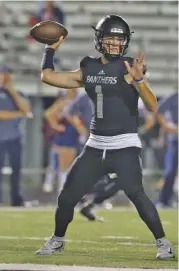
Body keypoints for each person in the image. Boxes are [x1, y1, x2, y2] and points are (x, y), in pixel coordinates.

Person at [36, 15, 175, 259]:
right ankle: (57, 240)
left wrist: (140, 80)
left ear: (126, 42)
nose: (114, 44)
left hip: (124, 144)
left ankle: (163, 243)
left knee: (136, 193)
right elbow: (48, 77)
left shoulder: (129, 67)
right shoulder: (88, 66)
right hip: (95, 144)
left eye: (119, 39)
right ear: (99, 40)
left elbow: (152, 105)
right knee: (67, 197)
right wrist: (49, 49)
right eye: (110, 38)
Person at [0, 66, 31, 206]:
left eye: (8, 75)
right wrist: (18, 114)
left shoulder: (18, 94)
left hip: (15, 138)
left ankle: (16, 198)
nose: (6, 77)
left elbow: (26, 109)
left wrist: (11, 90)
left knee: (16, 170)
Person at [43, 88, 81, 193]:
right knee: (60, 164)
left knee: (69, 165)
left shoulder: (79, 102)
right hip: (64, 135)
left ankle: (62, 187)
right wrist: (56, 126)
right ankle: (58, 186)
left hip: (74, 134)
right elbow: (48, 114)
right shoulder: (63, 102)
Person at [156, 92, 178, 207]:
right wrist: (167, 125)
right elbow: (158, 111)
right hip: (175, 140)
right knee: (170, 171)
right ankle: (164, 200)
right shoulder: (173, 97)